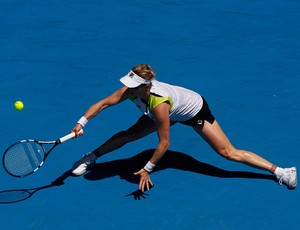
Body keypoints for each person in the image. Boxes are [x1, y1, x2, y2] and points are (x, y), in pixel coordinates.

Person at [71, 64, 297, 192]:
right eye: (128, 84)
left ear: (146, 86)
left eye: (132, 86)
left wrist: (148, 168)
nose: (127, 88)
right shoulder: (132, 91)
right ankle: (90, 157)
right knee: (130, 134)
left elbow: (164, 143)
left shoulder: (158, 104)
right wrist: (82, 122)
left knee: (227, 153)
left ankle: (281, 172)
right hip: (169, 109)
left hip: (194, 111)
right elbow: (102, 104)